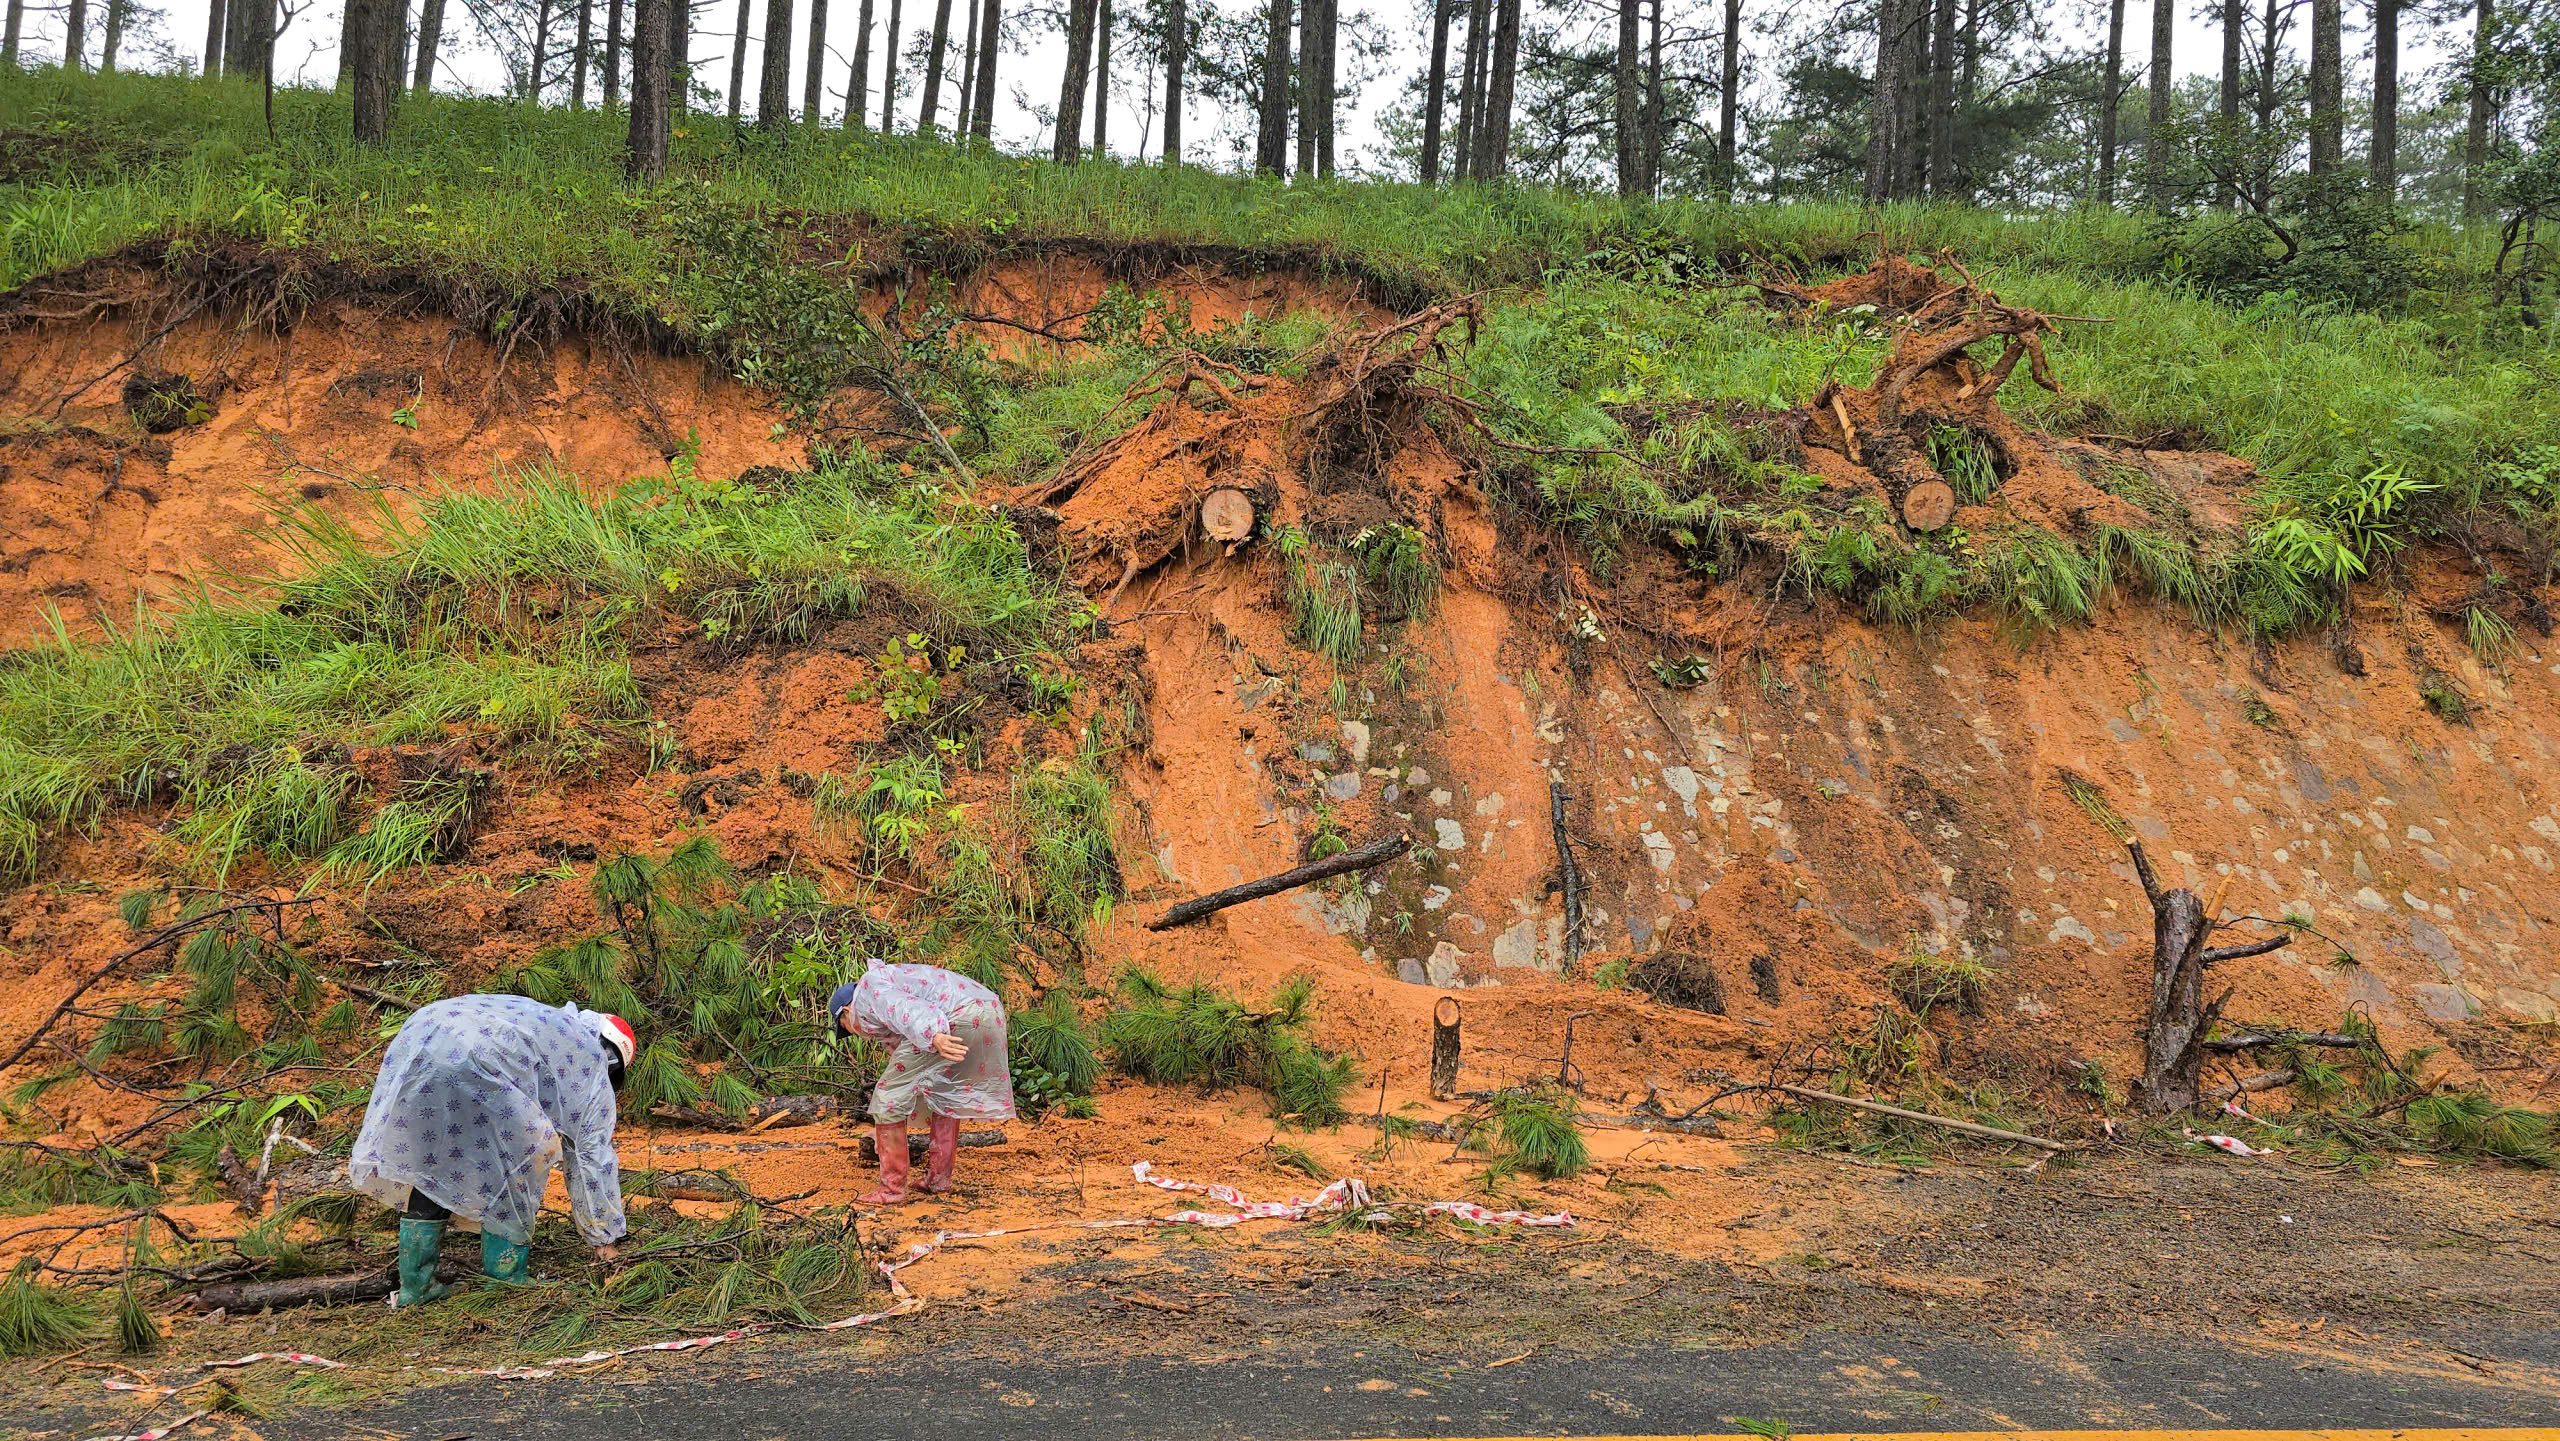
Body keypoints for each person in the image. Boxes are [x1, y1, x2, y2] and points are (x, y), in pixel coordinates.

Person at [348, 994, 635, 1306]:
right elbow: (590, 1156)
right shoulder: (589, 1057)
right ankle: (506, 1279)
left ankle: (415, 1288)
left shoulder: (544, 1022)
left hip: (421, 1036)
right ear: (612, 1059)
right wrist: (605, 1239)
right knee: (517, 1161)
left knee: (434, 1163)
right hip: (478, 1056)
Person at [830, 964, 1015, 1204]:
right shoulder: (888, 981)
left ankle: (891, 1189)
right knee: (943, 1091)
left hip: (952, 1018)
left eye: (845, 1027)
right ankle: (939, 1180)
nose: (853, 1033)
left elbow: (907, 1008)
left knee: (888, 1096)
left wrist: (933, 1035)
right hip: (987, 1011)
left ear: (846, 1011)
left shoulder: (868, 990)